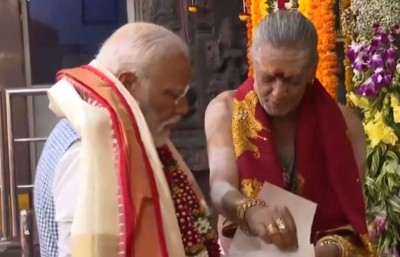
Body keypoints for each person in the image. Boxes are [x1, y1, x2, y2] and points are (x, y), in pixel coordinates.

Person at [34, 22, 220, 257]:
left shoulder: (125, 132)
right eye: (172, 95)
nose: (183, 108)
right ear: (128, 83)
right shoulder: (89, 150)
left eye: (185, 96)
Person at [205, 11, 376, 257]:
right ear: (254, 63)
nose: (277, 92)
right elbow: (220, 187)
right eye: (268, 78)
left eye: (292, 81)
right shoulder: (225, 110)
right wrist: (250, 210)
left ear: (311, 71)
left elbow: (353, 219)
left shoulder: (345, 126)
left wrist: (313, 253)